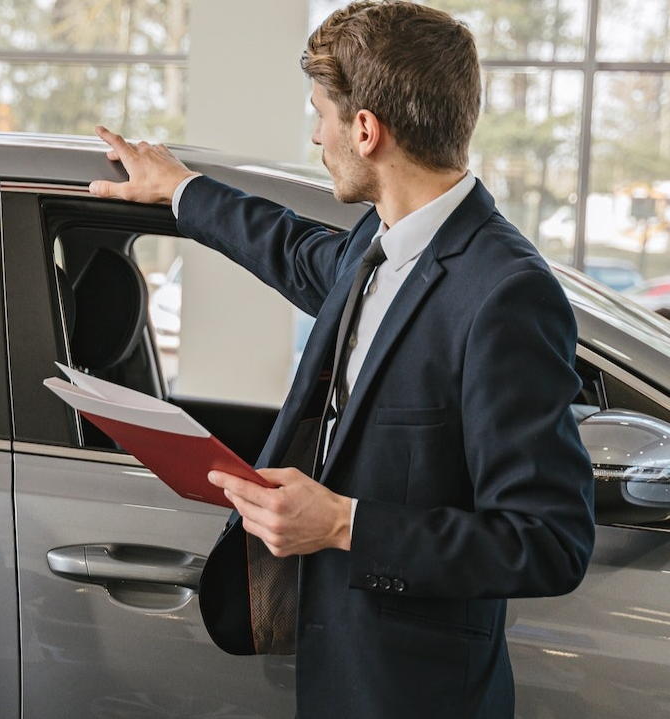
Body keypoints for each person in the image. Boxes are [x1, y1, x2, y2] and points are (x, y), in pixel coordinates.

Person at [88, 2, 595, 718]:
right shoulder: (377, 241)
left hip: (416, 694)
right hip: (335, 669)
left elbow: (548, 542)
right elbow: (292, 248)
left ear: (365, 129)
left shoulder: (505, 295)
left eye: (319, 114)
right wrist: (181, 189)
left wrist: (341, 523)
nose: (315, 134)